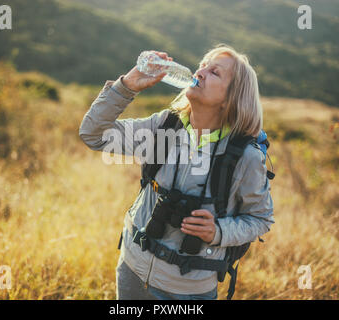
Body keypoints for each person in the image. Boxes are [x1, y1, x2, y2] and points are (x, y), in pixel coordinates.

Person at [79, 44, 274, 300]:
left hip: (188, 291)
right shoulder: (164, 125)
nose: (201, 72)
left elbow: (260, 219)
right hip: (132, 270)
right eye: (203, 65)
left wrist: (218, 231)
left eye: (214, 72)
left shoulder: (245, 157)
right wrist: (127, 85)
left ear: (231, 98)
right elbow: (94, 135)